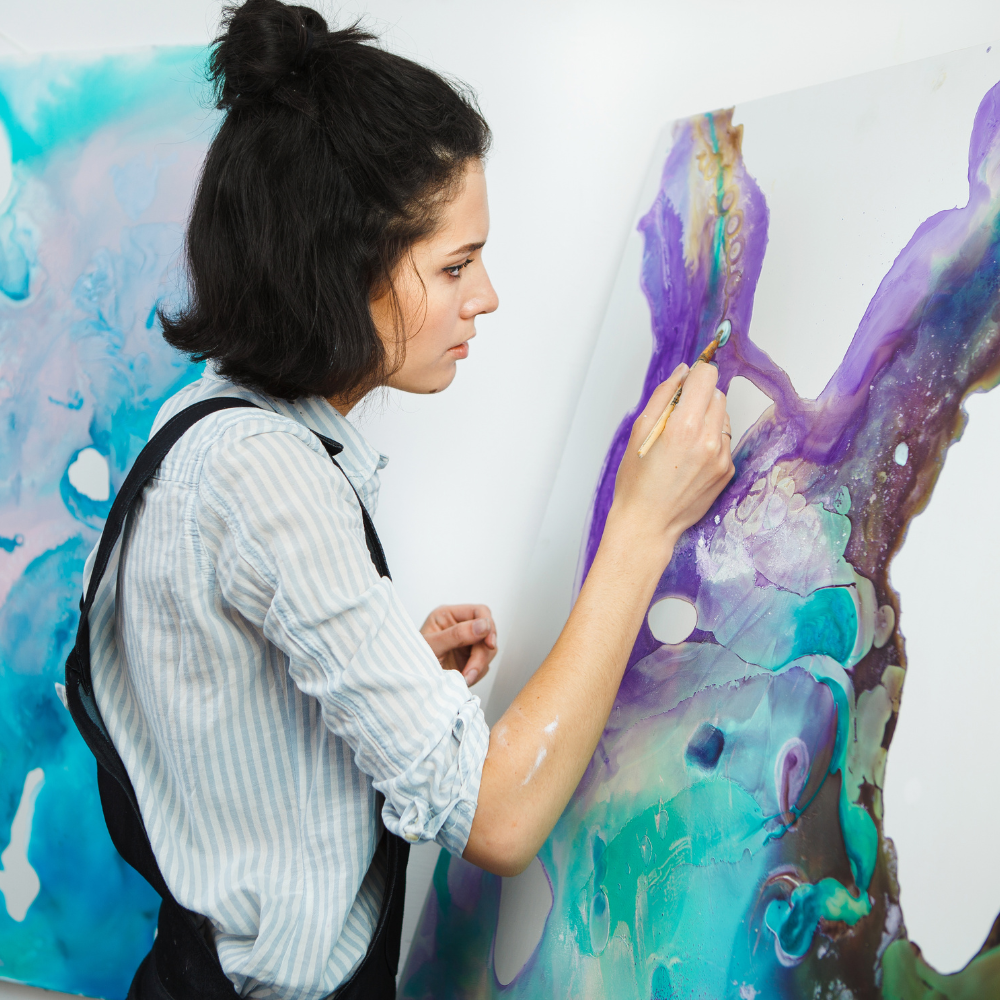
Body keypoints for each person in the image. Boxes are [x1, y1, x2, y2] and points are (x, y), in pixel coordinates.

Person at [80, 1, 734, 997]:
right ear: (339, 275)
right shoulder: (265, 476)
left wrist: (386, 673)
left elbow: (218, 721)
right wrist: (645, 523)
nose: (487, 296)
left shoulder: (211, 426)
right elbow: (500, 819)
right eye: (454, 265)